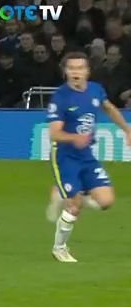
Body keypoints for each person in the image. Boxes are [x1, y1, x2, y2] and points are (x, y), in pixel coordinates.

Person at [45, 52, 131, 263]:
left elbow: (109, 108)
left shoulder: (95, 89)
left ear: (87, 71)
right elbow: (54, 133)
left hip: (86, 155)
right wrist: (74, 137)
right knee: (75, 206)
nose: (76, 72)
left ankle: (62, 193)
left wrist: (126, 129)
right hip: (65, 156)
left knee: (106, 201)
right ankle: (59, 248)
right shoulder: (60, 97)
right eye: (71, 68)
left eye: (80, 68)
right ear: (65, 72)